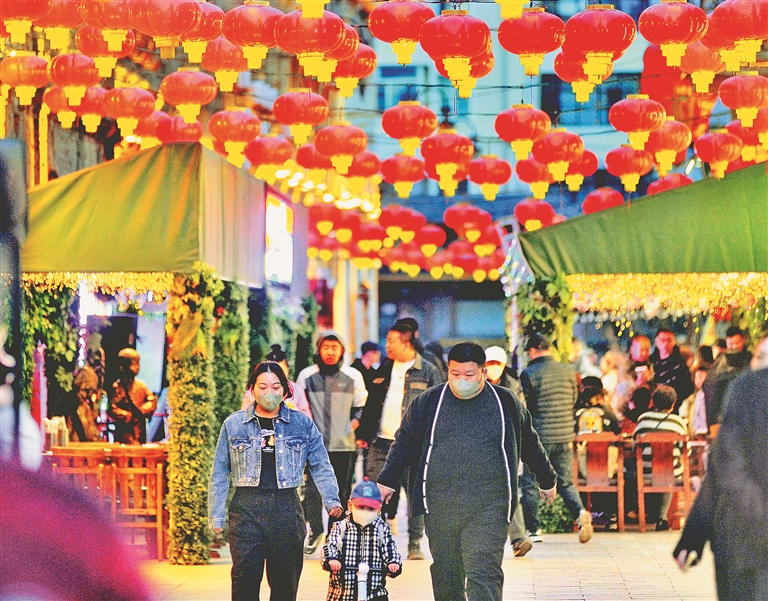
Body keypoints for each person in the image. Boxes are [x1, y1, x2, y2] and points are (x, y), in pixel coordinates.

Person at [376, 342, 558, 601]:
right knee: (447, 573)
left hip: (490, 504)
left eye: (469, 375)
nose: (461, 380)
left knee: (484, 571)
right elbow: (403, 442)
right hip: (440, 503)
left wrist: (547, 479)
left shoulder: (505, 402)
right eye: (455, 373)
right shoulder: (429, 402)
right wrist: (386, 481)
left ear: (483, 372)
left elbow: (530, 442)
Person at [209, 361, 343, 601]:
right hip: (246, 510)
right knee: (244, 579)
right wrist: (217, 515)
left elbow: (321, 464)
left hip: (286, 509)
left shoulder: (302, 424)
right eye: (262, 387)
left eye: (275, 387)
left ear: (286, 390)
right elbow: (219, 471)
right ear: (252, 388)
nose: (269, 393)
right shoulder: (234, 424)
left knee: (285, 584)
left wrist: (331, 500)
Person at [673, 335, 768, 600]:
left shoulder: (745, 390)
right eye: (760, 357)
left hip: (739, 536)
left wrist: (692, 539)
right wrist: (692, 536)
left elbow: (722, 472)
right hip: (739, 539)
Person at [357, 321, 441, 560]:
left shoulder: (428, 371)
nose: (387, 346)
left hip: (413, 445)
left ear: (406, 343)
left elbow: (437, 407)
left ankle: (414, 544)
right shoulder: (383, 369)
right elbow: (371, 403)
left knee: (415, 494)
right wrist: (363, 434)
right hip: (381, 442)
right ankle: (373, 542)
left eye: (391, 341)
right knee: (373, 493)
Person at [296, 331, 368, 555]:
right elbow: (299, 407)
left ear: (342, 351)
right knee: (312, 492)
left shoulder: (353, 376)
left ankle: (334, 537)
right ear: (319, 349)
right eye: (325, 347)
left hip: (343, 446)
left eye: (334, 347)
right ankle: (316, 531)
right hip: (314, 447)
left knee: (341, 494)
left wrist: (352, 426)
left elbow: (361, 406)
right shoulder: (306, 376)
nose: (330, 352)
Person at [519, 333, 594, 544]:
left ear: (532, 350)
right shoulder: (568, 371)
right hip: (564, 435)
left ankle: (534, 530)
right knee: (565, 481)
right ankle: (580, 513)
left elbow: (527, 406)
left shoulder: (529, 373)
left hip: (540, 437)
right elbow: (574, 399)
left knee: (531, 482)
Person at [321, 479, 402, 601]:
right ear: (350, 506)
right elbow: (330, 545)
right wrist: (331, 559)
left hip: (373, 591)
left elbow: (389, 548)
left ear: (378, 509)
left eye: (371, 509)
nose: (365, 512)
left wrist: (393, 562)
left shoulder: (381, 529)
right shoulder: (341, 527)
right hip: (343, 592)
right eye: (361, 507)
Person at [484, 345, 529, 557]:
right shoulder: (474, 384)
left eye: (497, 364)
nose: (493, 368)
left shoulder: (513, 387)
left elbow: (521, 417)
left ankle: (518, 539)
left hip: (507, 445)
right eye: (490, 363)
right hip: (480, 446)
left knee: (509, 491)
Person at [632, 385, 687, 531]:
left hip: (646, 472)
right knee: (668, 468)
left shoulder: (643, 419)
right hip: (671, 474)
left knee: (635, 470)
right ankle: (662, 518)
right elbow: (685, 451)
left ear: (653, 402)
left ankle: (642, 513)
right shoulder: (678, 422)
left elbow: (634, 447)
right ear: (673, 403)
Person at [702, 326, 752, 434]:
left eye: (737, 343)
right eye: (731, 343)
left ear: (743, 340)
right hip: (722, 414)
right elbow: (710, 386)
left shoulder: (750, 359)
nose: (734, 347)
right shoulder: (720, 361)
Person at [242, 344, 311, 417]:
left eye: (281, 371)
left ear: (287, 369)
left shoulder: (297, 390)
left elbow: (306, 417)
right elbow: (245, 416)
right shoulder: (254, 390)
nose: (277, 376)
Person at [108, 348, 157, 444]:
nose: (137, 367)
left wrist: (143, 410)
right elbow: (112, 408)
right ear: (122, 366)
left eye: (138, 364)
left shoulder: (141, 386)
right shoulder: (118, 387)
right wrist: (126, 416)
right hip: (124, 432)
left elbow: (152, 401)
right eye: (133, 364)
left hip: (140, 430)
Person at [650, 328, 694, 413]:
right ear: (657, 342)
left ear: (674, 342)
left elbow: (688, 388)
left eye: (669, 340)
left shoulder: (681, 363)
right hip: (653, 408)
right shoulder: (651, 362)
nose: (665, 343)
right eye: (662, 340)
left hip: (675, 408)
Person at [64, 366, 101, 442]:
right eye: (90, 389)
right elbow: (89, 435)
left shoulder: (71, 401)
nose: (90, 394)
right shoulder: (79, 406)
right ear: (83, 385)